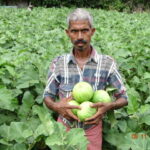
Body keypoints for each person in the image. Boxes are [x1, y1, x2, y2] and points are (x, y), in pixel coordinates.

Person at [43, 8, 128, 150]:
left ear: (92, 32)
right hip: (63, 131)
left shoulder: (107, 63)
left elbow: (124, 98)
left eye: (84, 30)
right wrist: (57, 107)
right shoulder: (58, 63)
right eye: (74, 31)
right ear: (67, 33)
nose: (79, 36)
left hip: (92, 130)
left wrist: (109, 106)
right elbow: (47, 96)